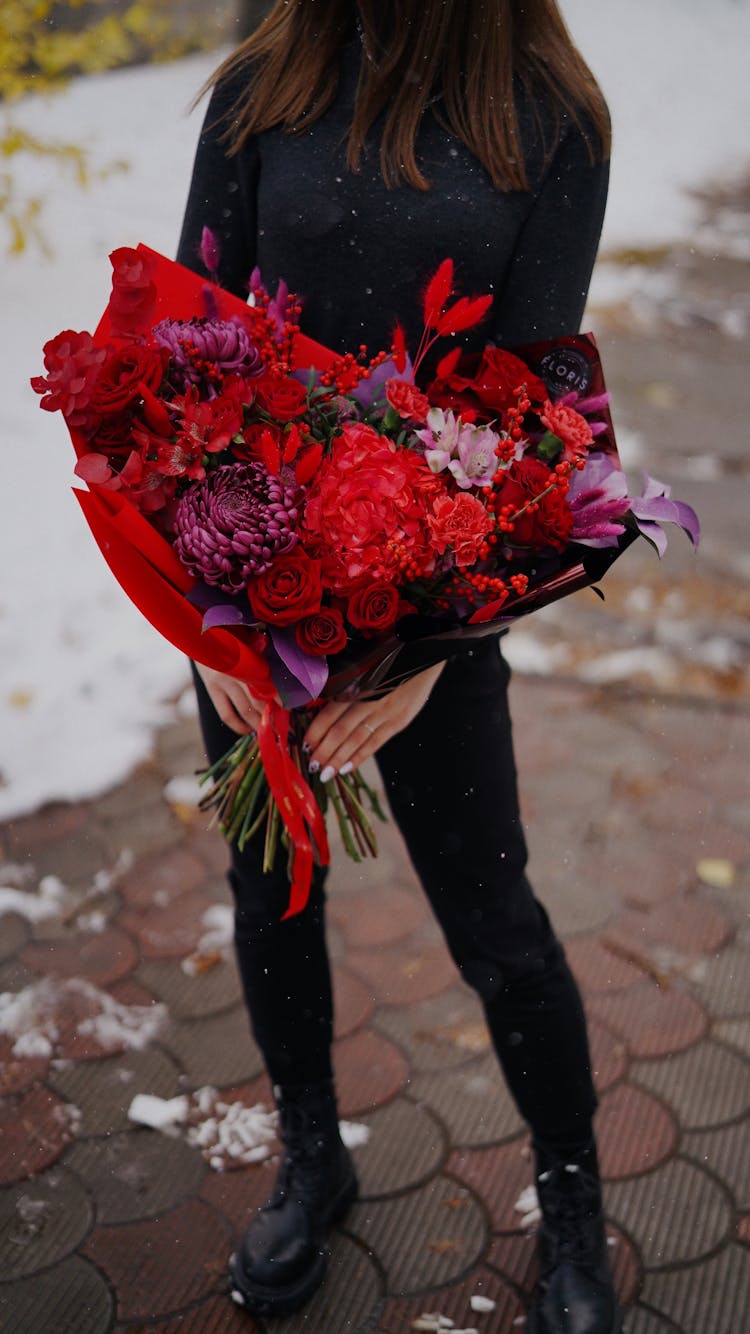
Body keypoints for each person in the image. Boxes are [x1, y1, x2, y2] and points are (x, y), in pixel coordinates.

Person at [177, 2, 619, 1330]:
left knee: (498, 927)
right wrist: (211, 627)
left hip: (430, 610)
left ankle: (574, 1197)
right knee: (274, 893)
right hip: (251, 599)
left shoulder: (550, 114)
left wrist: (437, 653)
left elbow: (526, 405)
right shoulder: (265, 78)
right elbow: (188, 350)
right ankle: (313, 1154)